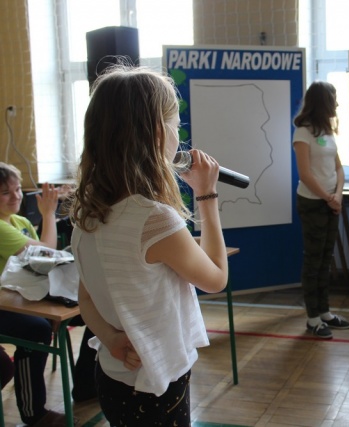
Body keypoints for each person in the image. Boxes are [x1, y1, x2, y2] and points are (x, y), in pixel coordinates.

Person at [70, 66, 229, 426]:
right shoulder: (154, 219)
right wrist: (207, 195)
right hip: (157, 385)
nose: (178, 134)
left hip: (111, 376)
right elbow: (216, 278)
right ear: (158, 132)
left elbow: (86, 300)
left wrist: (111, 338)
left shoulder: (88, 214)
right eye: (175, 124)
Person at [0, 162, 78, 426]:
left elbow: (42, 266)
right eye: (6, 193)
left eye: (18, 189)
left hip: (24, 298)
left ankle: (87, 386)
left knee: (92, 311)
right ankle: (33, 413)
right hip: (6, 306)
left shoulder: (20, 221)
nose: (16, 196)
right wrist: (48, 214)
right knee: (36, 330)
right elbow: (47, 250)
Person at [292, 81, 349, 339]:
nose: (336, 104)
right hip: (312, 203)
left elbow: (338, 168)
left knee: (326, 258)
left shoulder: (327, 131)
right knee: (313, 260)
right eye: (333, 99)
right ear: (322, 102)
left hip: (330, 203)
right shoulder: (302, 133)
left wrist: (337, 195)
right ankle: (313, 318)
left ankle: (325, 312)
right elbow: (305, 174)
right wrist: (328, 197)